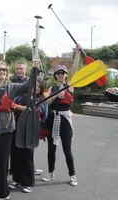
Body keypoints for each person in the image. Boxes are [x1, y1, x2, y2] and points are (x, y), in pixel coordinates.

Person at [0, 61, 38, 199]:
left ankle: (2, 193)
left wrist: (34, 69)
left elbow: (29, 86)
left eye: (4, 70)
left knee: (0, 161)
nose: (1, 72)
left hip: (5, 130)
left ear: (6, 72)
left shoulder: (11, 87)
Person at [42, 44, 81, 187]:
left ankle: (72, 175)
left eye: (62, 73)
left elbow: (75, 71)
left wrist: (77, 53)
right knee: (51, 149)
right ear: (55, 75)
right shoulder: (52, 88)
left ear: (65, 75)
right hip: (54, 118)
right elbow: (47, 103)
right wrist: (55, 96)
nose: (60, 75)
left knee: (67, 149)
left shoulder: (70, 85)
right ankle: (50, 172)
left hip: (65, 119)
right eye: (58, 73)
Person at [8, 77, 48, 193]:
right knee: (15, 154)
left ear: (40, 89)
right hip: (17, 127)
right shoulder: (22, 95)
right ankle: (17, 179)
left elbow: (32, 110)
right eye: (33, 85)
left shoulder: (40, 99)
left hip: (30, 129)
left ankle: (28, 182)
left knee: (27, 156)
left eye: (38, 86)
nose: (35, 88)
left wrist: (14, 105)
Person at [9, 61, 43, 176]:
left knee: (28, 148)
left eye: (21, 69)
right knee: (15, 147)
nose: (19, 71)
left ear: (25, 70)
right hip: (14, 118)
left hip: (27, 118)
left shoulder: (29, 82)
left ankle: (29, 170)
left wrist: (35, 69)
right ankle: (15, 172)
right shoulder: (11, 81)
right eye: (17, 68)